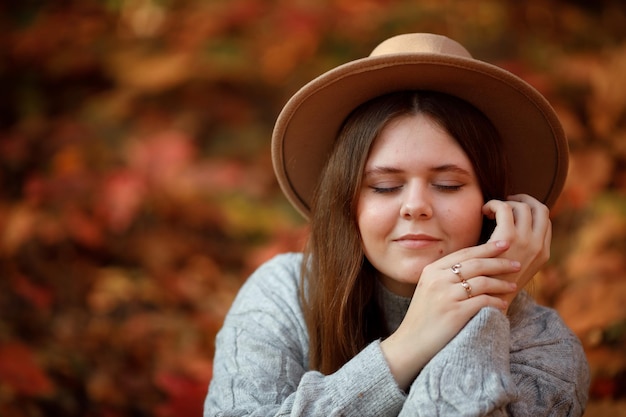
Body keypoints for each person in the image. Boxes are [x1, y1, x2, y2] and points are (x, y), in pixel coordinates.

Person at [204, 33, 589, 416]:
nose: (415, 206)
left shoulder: (545, 348)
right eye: (385, 187)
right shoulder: (283, 295)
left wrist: (483, 311)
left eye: (447, 185)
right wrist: (406, 345)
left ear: (493, 203)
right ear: (347, 200)